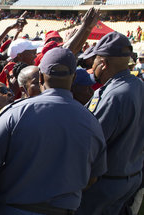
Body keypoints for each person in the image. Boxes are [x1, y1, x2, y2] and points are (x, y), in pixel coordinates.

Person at [0, 47, 107, 214]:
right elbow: (92, 178)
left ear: (40, 77)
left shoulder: (13, 114)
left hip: (10, 208)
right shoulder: (91, 122)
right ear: (74, 77)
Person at [78, 31, 144, 215]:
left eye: (94, 61)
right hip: (131, 176)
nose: (92, 67)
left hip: (106, 184)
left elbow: (91, 143)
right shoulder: (138, 85)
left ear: (103, 63)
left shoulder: (113, 95)